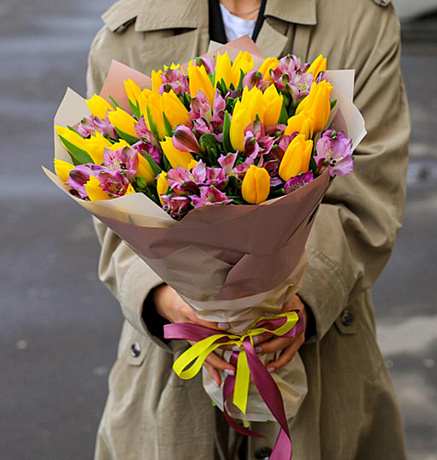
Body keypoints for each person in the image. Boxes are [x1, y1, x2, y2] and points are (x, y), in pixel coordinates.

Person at [87, 0, 410, 459]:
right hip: (172, 366)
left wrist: (293, 297)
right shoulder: (130, 28)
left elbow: (370, 192)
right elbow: (110, 200)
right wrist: (165, 296)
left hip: (318, 352)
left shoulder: (359, 18)